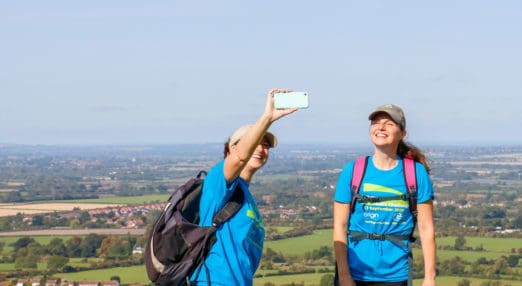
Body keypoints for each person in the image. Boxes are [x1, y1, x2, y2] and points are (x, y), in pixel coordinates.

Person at [190, 88, 298, 285]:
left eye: (265, 145)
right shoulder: (218, 182)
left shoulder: (246, 195)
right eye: (256, 141)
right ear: (232, 148)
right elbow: (239, 158)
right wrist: (267, 118)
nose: (261, 149)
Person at [333, 104, 436, 286]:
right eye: (376, 123)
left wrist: (429, 278)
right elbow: (339, 228)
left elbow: (426, 229)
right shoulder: (353, 170)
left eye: (388, 124)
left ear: (402, 133)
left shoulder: (416, 173)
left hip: (397, 274)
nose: (380, 127)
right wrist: (344, 276)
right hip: (354, 272)